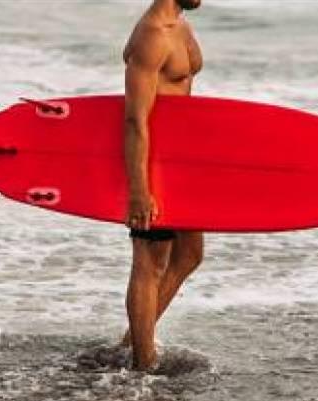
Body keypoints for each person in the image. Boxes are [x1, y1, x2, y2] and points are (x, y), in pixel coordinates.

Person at [121, 0, 204, 370]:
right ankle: (143, 365)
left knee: (189, 254)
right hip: (152, 162)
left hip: (180, 159)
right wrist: (139, 190)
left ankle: (132, 340)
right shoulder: (152, 35)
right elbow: (134, 119)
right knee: (149, 260)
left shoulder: (180, 25)